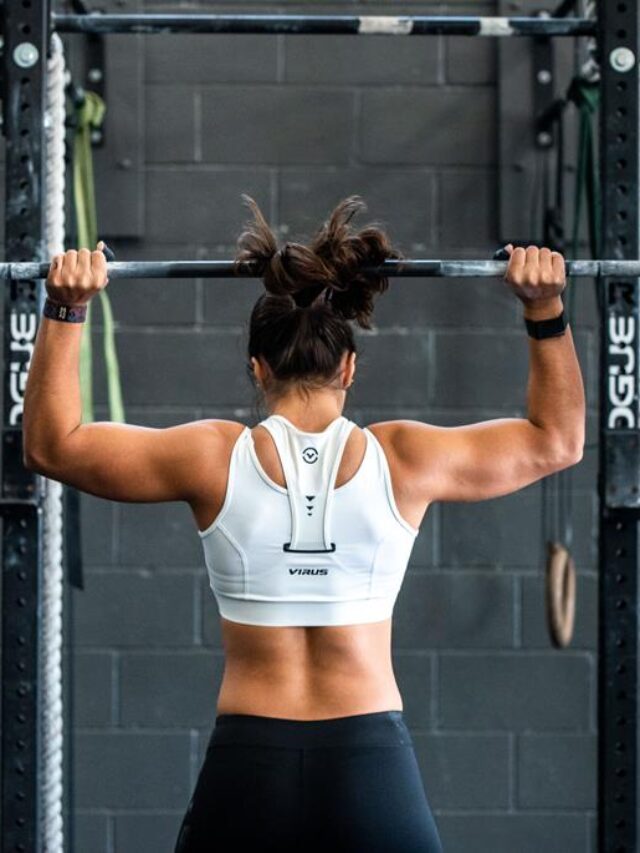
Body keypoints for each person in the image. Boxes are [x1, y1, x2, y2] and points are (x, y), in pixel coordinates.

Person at [23, 197, 585, 853]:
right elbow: (557, 440)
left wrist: (67, 309)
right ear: (349, 365)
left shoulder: (212, 457)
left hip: (249, 764)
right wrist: (545, 310)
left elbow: (51, 446)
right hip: (371, 761)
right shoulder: (404, 458)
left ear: (256, 366)